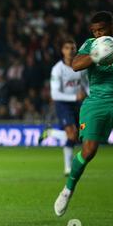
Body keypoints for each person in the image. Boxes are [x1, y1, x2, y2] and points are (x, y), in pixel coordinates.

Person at [54, 11, 113, 217]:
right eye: (94, 31)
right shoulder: (90, 45)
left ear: (112, 28)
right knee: (88, 151)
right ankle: (68, 189)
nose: (97, 34)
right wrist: (97, 55)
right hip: (97, 102)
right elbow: (76, 65)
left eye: (101, 30)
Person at [39, 38, 88, 176]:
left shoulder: (81, 67)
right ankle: (67, 168)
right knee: (72, 134)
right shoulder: (57, 69)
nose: (70, 51)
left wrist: (92, 97)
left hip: (78, 103)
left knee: (75, 136)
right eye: (67, 48)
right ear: (62, 50)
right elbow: (54, 94)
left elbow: (86, 85)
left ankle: (51, 133)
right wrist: (75, 97)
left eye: (73, 48)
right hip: (63, 103)